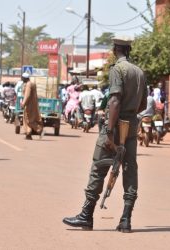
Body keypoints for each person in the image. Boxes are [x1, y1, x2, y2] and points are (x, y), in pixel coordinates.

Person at [63, 36, 147, 233]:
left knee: (98, 168)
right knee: (130, 170)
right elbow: (142, 104)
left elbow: (115, 101)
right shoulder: (139, 72)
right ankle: (126, 219)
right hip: (131, 128)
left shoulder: (118, 69)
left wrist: (109, 132)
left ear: (115, 49)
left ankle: (86, 215)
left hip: (115, 127)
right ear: (129, 49)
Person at [20, 72, 44, 140]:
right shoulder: (32, 84)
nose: (22, 79)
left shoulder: (28, 85)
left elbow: (27, 95)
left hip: (29, 105)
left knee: (29, 120)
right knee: (27, 119)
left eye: (22, 78)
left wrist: (23, 103)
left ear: (25, 78)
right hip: (33, 104)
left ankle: (40, 130)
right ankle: (28, 134)